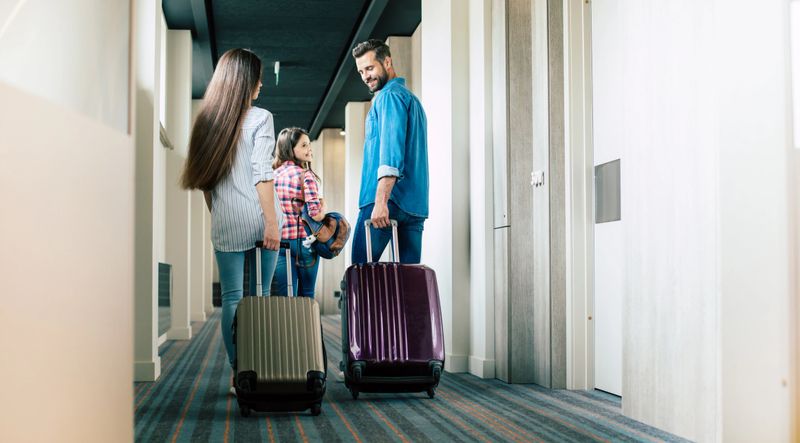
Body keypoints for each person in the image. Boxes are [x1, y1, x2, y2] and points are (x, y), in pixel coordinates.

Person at [180, 48, 282, 383]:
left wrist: (221, 214)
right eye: (258, 78)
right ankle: (262, 367)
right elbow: (262, 174)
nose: (261, 85)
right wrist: (270, 222)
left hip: (225, 221)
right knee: (261, 296)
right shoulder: (260, 117)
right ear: (246, 82)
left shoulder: (207, 121)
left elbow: (206, 183)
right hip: (258, 215)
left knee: (232, 299)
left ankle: (240, 372)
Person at [350, 39, 429, 264]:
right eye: (361, 71)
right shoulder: (412, 101)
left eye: (370, 68)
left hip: (385, 201)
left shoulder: (389, 97)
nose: (365, 76)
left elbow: (391, 154)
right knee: (408, 282)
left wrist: (381, 202)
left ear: (387, 61)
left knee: (361, 276)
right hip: (414, 207)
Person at [270, 127, 326, 297]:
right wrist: (323, 205)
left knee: (286, 297)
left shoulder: (272, 175)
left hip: (281, 243)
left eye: (309, 144)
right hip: (305, 242)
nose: (309, 149)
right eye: (304, 145)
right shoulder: (305, 175)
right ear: (290, 149)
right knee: (307, 294)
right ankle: (310, 325)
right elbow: (315, 214)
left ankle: (288, 325)